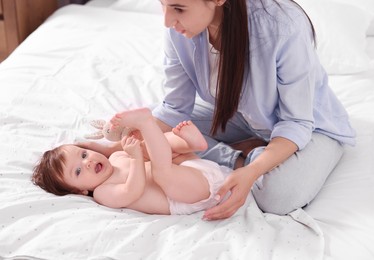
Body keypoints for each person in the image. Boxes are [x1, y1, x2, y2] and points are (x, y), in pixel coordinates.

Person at [149, 0, 356, 220]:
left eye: (179, 8)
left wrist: (252, 172)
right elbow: (174, 109)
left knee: (277, 196)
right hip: (242, 116)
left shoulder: (284, 27)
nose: (167, 20)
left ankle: (258, 156)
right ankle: (241, 156)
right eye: (162, 4)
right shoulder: (179, 29)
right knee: (153, 132)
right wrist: (115, 144)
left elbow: (296, 122)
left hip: (311, 126)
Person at [32, 108, 231, 215]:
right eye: (78, 171)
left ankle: (190, 143)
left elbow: (149, 153)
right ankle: (147, 122)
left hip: (191, 170)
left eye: (84, 155)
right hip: (188, 196)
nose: (88, 162)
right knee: (162, 172)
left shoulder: (116, 157)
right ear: (80, 191)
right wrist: (136, 158)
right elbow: (132, 191)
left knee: (152, 148)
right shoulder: (103, 193)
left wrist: (113, 148)